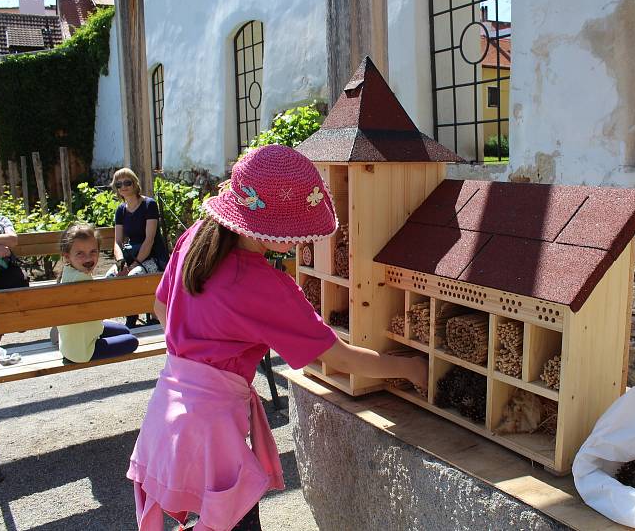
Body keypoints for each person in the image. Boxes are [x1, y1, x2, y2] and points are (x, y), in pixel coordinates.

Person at [127, 145, 428, 531]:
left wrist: (209, 345)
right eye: (296, 230)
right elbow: (341, 358)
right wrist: (411, 367)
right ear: (272, 229)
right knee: (231, 520)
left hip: (169, 408)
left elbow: (161, 309)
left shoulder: (196, 238)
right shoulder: (263, 286)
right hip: (214, 430)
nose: (302, 240)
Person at [56, 223, 139, 363]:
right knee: (132, 341)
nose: (88, 258)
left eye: (93, 252)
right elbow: (106, 306)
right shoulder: (81, 280)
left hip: (71, 345)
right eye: (80, 253)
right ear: (67, 256)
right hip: (84, 351)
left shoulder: (68, 273)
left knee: (123, 330)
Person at [107, 168, 169, 327]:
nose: (123, 187)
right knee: (109, 278)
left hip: (152, 256)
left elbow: (149, 240)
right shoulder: (121, 210)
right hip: (131, 255)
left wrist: (133, 265)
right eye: (119, 184)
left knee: (134, 276)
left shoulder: (149, 205)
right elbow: (117, 242)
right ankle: (126, 312)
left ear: (135, 184)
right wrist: (120, 261)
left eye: (127, 182)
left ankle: (132, 316)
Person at [0, 187, 27, 369]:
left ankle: (15, 323)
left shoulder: (1, 219)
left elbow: (12, 239)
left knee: (14, 284)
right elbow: (4, 243)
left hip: (4, 270)